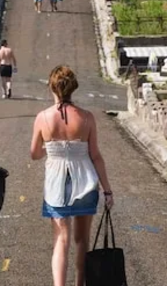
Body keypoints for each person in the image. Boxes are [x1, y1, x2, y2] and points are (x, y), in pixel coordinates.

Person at [31, 65, 114, 286]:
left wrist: (50, 149)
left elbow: (34, 153)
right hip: (85, 182)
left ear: (52, 87)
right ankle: (80, 282)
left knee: (61, 239)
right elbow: (95, 156)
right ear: (72, 88)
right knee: (82, 241)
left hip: (56, 184)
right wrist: (107, 189)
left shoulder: (43, 118)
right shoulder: (87, 118)